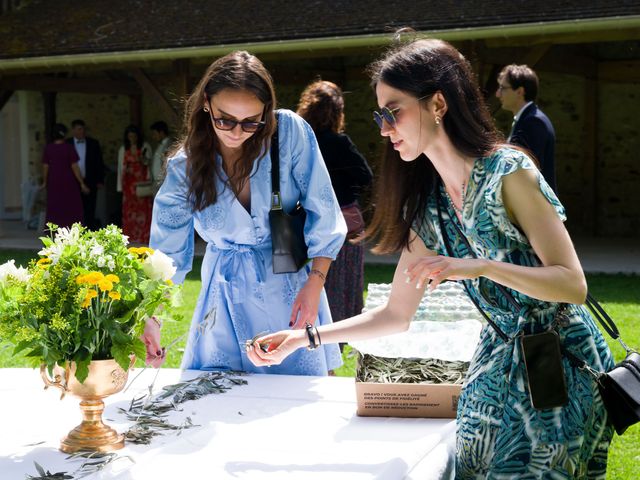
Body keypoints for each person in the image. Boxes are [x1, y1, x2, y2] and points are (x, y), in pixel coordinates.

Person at [248, 38, 614, 478]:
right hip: (497, 361)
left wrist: (479, 266)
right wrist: (303, 338)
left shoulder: (508, 173)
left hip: (556, 359)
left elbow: (572, 284)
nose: (384, 129)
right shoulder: (429, 206)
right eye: (379, 115)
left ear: (437, 103)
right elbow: (396, 315)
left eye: (393, 111)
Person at [146, 51, 345, 375]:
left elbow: (324, 211)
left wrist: (315, 284)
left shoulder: (289, 133)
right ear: (206, 104)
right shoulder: (186, 166)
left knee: (300, 401)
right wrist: (152, 318)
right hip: (224, 297)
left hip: (291, 287)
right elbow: (166, 254)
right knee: (222, 402)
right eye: (225, 119)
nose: (237, 132)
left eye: (251, 121)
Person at [296, 80, 373, 326]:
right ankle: (333, 345)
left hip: (306, 224)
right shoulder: (339, 143)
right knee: (340, 289)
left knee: (311, 286)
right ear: (338, 112)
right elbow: (366, 177)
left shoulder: (299, 144)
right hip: (343, 226)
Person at [496, 64, 557, 193]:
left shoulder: (534, 121)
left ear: (520, 92)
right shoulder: (527, 119)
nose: (497, 94)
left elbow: (524, 170)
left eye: (503, 88)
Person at [41, 123, 89, 229]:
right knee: (71, 206)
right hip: (69, 182)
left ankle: (54, 229)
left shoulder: (48, 148)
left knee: (55, 206)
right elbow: (75, 166)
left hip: (53, 182)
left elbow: (45, 167)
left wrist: (44, 182)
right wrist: (81, 183)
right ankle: (72, 228)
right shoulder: (69, 148)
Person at [116, 125, 152, 244]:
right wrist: (120, 186)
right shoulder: (123, 149)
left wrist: (142, 159)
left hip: (141, 183)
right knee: (129, 211)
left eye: (134, 136)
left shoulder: (145, 147)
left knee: (143, 210)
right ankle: (130, 237)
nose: (132, 138)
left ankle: (143, 236)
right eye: (130, 136)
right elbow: (121, 168)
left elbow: (149, 164)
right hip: (128, 184)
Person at [67, 119, 105, 229]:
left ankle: (89, 230)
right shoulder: (67, 143)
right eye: (79, 129)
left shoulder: (93, 143)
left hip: (90, 179)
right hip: (72, 180)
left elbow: (99, 162)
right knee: (73, 207)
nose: (82, 131)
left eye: (83, 129)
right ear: (73, 130)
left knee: (90, 207)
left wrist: (100, 180)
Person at [149, 120, 172, 194]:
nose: (153, 137)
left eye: (154, 134)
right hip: (156, 182)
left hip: (165, 182)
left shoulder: (170, 144)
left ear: (161, 133)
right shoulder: (159, 146)